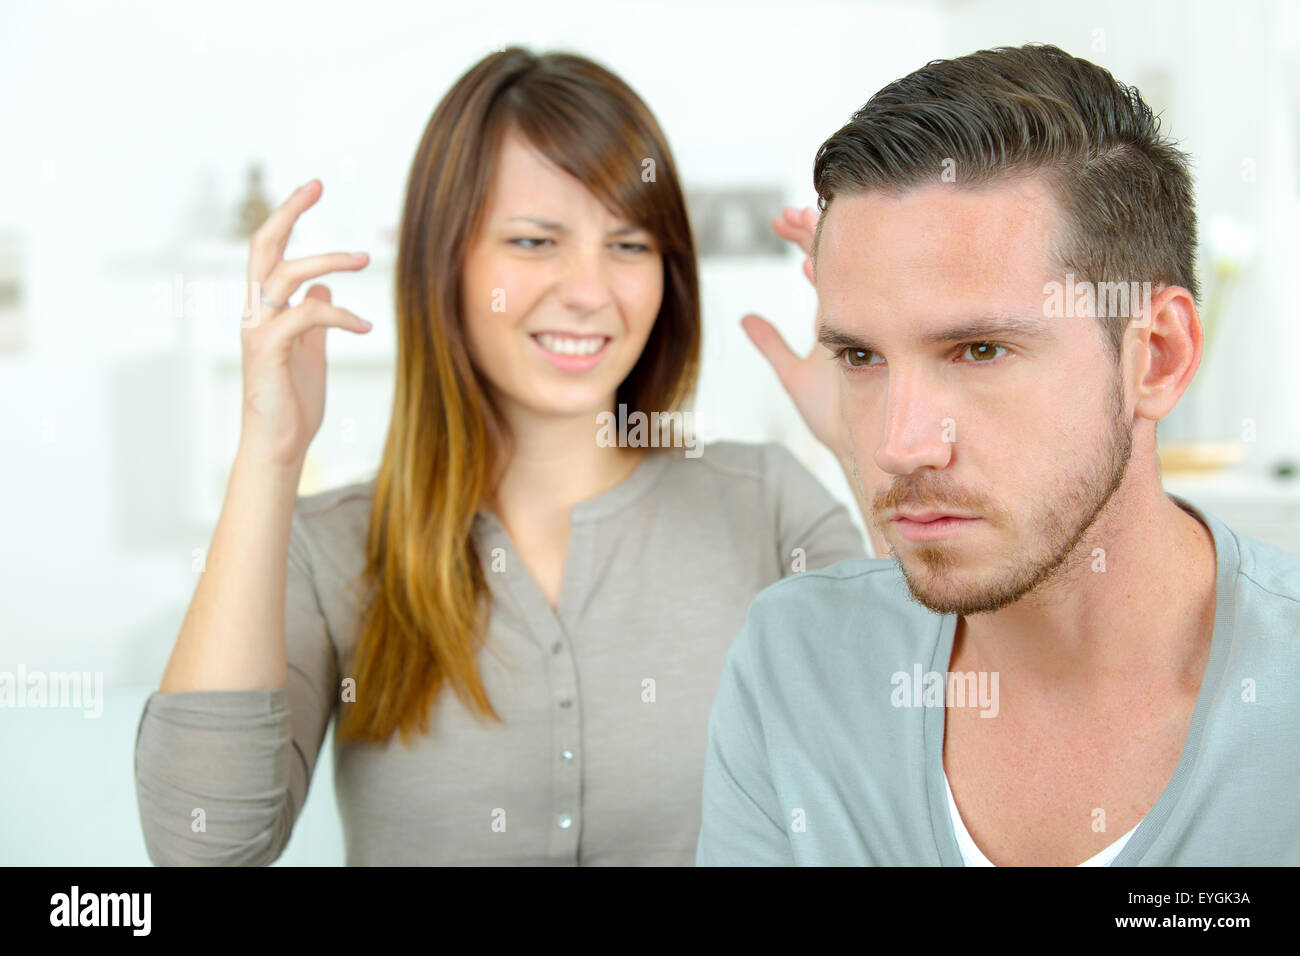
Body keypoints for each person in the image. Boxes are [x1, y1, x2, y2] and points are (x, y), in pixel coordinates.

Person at [133, 47, 870, 866]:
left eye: (629, 246)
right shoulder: (329, 548)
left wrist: (869, 449)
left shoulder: (765, 505)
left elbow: (904, 779)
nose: (589, 290)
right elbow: (201, 849)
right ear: (441, 261)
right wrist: (267, 456)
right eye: (533, 241)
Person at [697, 43, 1300, 866]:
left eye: (979, 350)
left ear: (1155, 356)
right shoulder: (796, 662)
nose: (895, 443)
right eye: (862, 358)